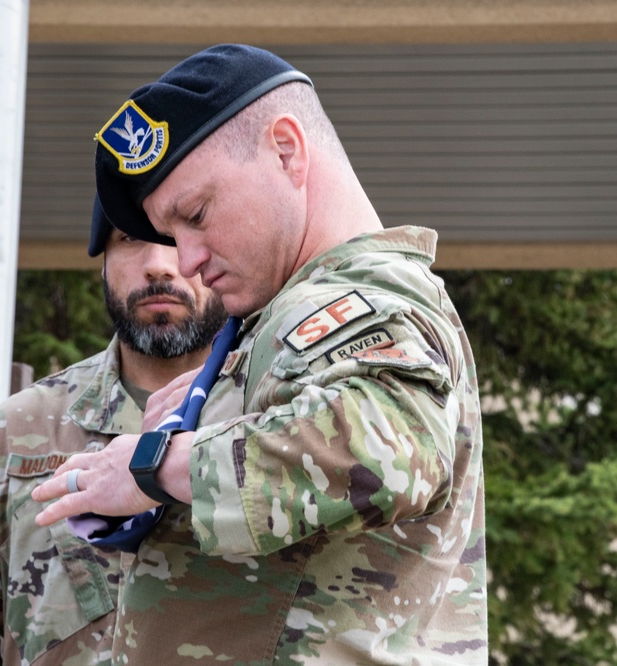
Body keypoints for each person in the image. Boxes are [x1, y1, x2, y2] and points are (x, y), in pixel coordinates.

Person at [34, 44, 488, 664]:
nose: (186, 259)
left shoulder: (354, 302)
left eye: (195, 215)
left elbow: (387, 449)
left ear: (286, 151)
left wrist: (153, 465)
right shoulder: (280, 316)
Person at [0, 198, 228, 664]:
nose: (158, 265)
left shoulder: (282, 413)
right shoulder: (9, 438)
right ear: (102, 261)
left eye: (180, 234)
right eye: (129, 237)